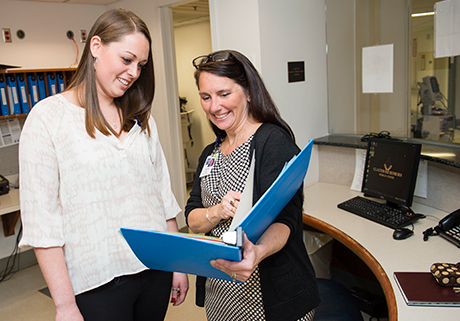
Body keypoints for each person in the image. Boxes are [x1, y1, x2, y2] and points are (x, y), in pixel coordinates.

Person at [18, 8, 188, 321]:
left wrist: (175, 262)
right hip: (97, 283)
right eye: (127, 59)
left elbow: (162, 199)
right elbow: (43, 224)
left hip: (155, 272)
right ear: (96, 47)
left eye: (141, 64)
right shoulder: (48, 119)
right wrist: (64, 305)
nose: (134, 72)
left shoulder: (140, 121)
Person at [185, 50, 320, 321]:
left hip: (266, 294)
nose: (214, 107)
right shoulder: (209, 154)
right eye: (206, 97)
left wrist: (257, 252)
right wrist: (219, 211)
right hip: (220, 291)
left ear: (248, 92)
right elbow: (193, 220)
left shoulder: (272, 142)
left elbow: (287, 219)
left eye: (224, 94)